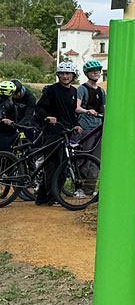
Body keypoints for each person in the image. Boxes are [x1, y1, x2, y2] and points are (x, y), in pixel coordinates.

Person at [34, 61, 83, 203]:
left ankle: (43, 197)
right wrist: (47, 117)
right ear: (58, 75)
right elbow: (39, 108)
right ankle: (52, 196)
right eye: (62, 73)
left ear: (73, 75)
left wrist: (76, 125)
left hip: (65, 132)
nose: (65, 76)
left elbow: (72, 112)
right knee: (52, 165)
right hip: (52, 132)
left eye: (68, 73)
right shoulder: (51, 90)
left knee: (63, 165)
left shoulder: (73, 91)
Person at [76, 59, 105, 158]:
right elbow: (76, 107)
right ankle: (82, 173)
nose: (96, 72)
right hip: (86, 127)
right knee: (86, 156)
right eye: (93, 71)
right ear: (87, 74)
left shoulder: (102, 91)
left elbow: (104, 108)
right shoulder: (82, 89)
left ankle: (94, 174)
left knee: (97, 157)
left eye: (98, 70)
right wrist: (87, 111)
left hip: (98, 127)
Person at [0, 79, 37, 152]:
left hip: (24, 122)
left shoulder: (30, 98)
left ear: (20, 91)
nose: (13, 97)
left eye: (15, 95)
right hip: (12, 121)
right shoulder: (9, 98)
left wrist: (18, 125)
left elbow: (28, 115)